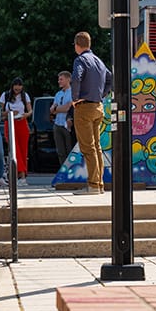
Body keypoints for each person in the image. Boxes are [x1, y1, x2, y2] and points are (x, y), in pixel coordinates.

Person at [70, 31, 112, 195]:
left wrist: (75, 99)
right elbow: (110, 77)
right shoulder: (98, 61)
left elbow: (76, 77)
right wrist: (103, 94)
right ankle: (99, 184)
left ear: (77, 45)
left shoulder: (80, 60)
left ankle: (93, 185)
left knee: (88, 148)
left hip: (84, 108)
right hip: (98, 107)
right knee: (97, 147)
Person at [0, 77, 32, 186]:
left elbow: (30, 110)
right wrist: (10, 112)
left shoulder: (25, 96)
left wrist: (26, 115)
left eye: (19, 85)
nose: (17, 87)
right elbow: (0, 112)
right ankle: (21, 175)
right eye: (15, 85)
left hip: (22, 123)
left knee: (23, 151)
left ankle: (22, 176)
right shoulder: (5, 95)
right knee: (15, 149)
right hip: (10, 123)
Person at [50, 71, 75, 166]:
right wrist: (57, 108)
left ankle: (71, 172)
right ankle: (62, 171)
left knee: (69, 150)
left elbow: (68, 108)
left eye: (61, 79)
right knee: (60, 151)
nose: (59, 81)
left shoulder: (73, 93)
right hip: (57, 124)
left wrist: (57, 108)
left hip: (67, 125)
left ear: (68, 79)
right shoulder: (58, 94)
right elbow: (52, 110)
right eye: (58, 79)